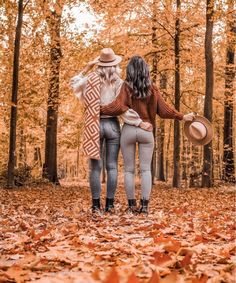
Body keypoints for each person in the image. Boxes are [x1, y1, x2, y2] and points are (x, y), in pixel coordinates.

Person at [100, 55, 195, 214]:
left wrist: (99, 109)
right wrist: (182, 116)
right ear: (145, 70)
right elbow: (164, 112)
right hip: (147, 131)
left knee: (129, 170)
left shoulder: (126, 87)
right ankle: (144, 207)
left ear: (130, 71)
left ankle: (131, 206)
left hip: (129, 130)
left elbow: (117, 107)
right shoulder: (152, 88)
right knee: (145, 170)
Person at [70, 49, 152, 213]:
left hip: (94, 124)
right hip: (113, 125)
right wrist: (139, 122)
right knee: (112, 166)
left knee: (95, 167)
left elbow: (73, 84)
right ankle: (109, 205)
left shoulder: (89, 80)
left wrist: (87, 67)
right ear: (115, 65)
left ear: (98, 65)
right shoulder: (119, 83)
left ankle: (95, 206)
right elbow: (123, 109)